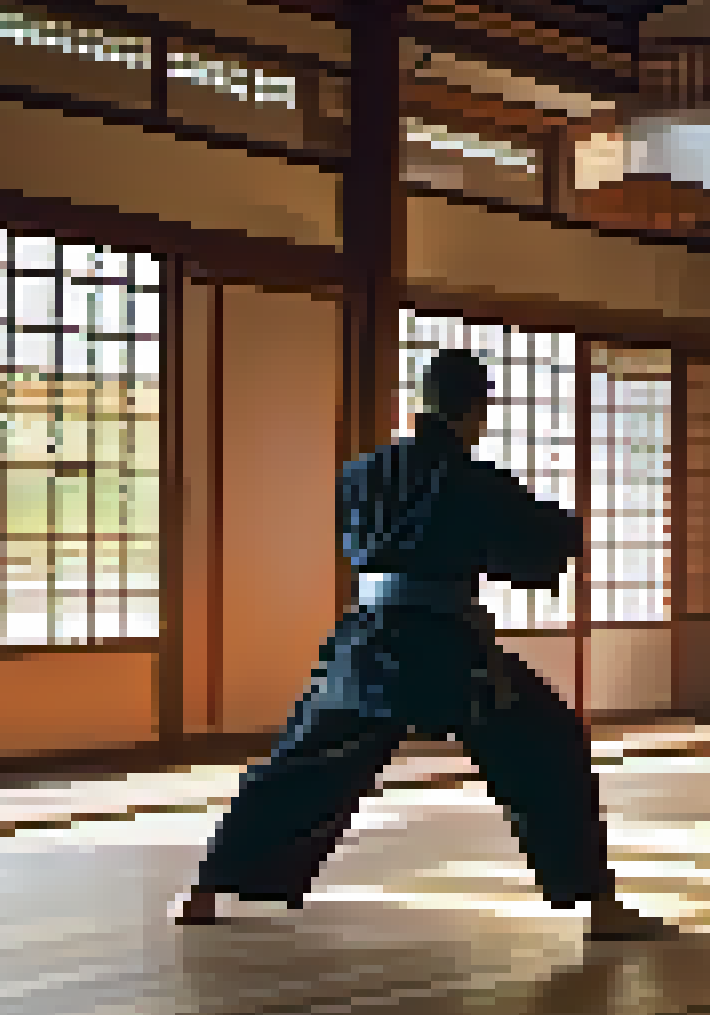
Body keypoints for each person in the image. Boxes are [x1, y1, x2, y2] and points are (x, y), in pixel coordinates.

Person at [174, 349, 672, 941]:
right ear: (474, 411)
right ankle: (600, 906)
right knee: (549, 742)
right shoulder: (473, 480)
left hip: (367, 643)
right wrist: (563, 530)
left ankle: (206, 888)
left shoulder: (360, 474)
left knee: (302, 761)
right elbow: (540, 544)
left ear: (423, 403)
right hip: (448, 649)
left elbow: (357, 545)